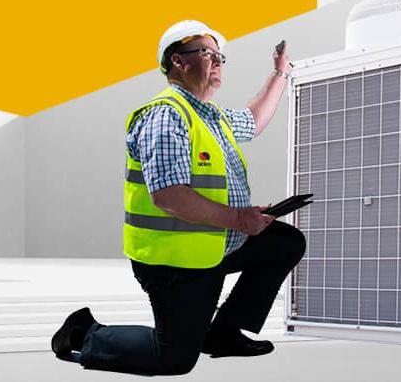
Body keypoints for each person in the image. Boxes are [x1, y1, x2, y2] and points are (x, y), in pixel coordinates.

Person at [51, 19, 306, 374]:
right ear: (177, 61)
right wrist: (239, 218)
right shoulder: (166, 116)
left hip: (213, 245)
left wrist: (281, 74)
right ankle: (83, 334)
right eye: (207, 53)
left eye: (220, 56)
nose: (217, 62)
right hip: (174, 262)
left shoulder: (211, 116)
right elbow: (169, 197)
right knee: (173, 359)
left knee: (284, 242)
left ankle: (222, 333)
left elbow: (254, 118)